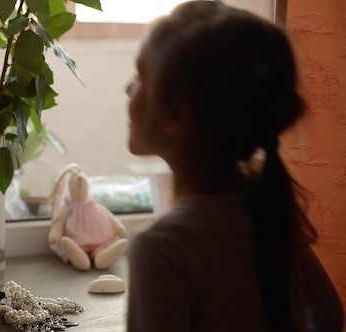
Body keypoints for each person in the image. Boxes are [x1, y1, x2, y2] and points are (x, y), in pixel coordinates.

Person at [125, 1, 344, 331]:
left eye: (140, 75)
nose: (128, 88)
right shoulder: (269, 210)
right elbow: (329, 315)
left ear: (177, 115)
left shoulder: (161, 250)